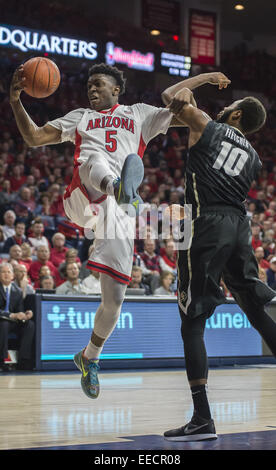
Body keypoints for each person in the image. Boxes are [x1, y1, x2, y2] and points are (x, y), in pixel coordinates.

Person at [9, 62, 227, 400]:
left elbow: (186, 114)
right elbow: (34, 137)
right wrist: (15, 101)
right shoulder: (80, 116)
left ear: (116, 90)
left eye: (98, 84)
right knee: (94, 159)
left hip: (118, 213)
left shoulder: (139, 113)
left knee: (115, 300)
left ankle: (89, 357)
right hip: (83, 197)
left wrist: (205, 82)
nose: (92, 90)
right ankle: (119, 187)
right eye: (89, 87)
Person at [162, 79, 276, 441]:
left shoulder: (208, 126)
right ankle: (200, 417)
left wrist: (204, 79)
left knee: (191, 319)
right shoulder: (255, 157)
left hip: (203, 223)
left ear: (236, 113)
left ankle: (202, 418)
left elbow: (170, 97)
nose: (223, 107)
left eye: (230, 105)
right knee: (256, 312)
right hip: (239, 226)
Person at [0, 263, 35, 370]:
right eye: (3, 272)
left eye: (8, 272)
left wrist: (25, 315)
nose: (6, 274)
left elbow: (19, 310)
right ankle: (2, 360)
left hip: (12, 321)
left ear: (12, 276)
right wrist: (12, 315)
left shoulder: (17, 291)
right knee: (4, 324)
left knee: (30, 324)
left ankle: (23, 361)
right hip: (2, 320)